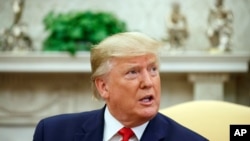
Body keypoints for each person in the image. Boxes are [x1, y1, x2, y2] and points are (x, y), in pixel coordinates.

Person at [33, 32, 208, 141]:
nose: (148, 82)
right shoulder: (52, 133)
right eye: (133, 72)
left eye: (153, 69)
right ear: (104, 87)